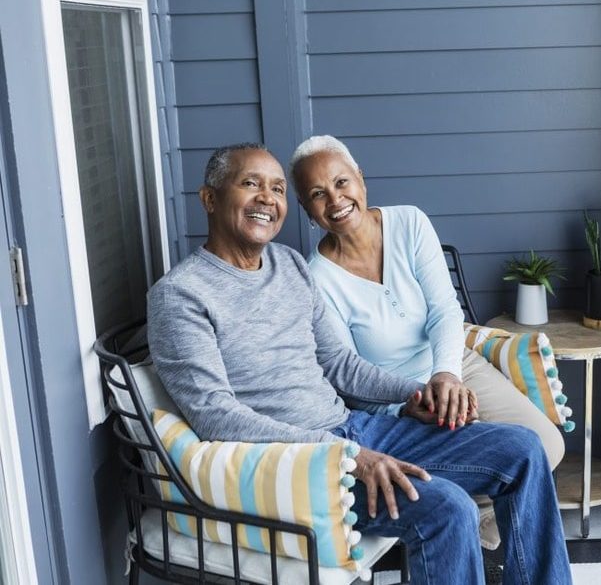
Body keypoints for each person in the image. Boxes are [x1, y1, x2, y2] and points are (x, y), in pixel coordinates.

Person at [147, 142, 572, 585]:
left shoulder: (289, 266)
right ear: (209, 198)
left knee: (523, 450)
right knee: (448, 508)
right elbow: (215, 416)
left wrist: (411, 394)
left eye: (275, 188)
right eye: (249, 184)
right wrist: (343, 456)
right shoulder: (181, 296)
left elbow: (338, 364)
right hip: (299, 464)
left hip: (353, 431)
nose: (266, 199)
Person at [290, 135, 565, 466]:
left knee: (547, 446)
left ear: (360, 178)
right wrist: (405, 404)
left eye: (341, 182)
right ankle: (477, 516)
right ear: (306, 209)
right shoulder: (315, 279)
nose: (335, 199)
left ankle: (486, 514)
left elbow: (444, 310)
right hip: (398, 401)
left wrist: (447, 374)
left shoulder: (409, 222)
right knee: (474, 471)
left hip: (453, 364)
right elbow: (349, 374)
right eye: (318, 194)